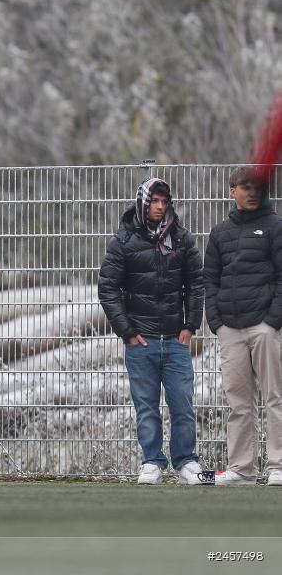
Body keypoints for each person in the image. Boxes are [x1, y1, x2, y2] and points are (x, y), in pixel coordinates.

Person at [99, 178, 205, 485]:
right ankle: (152, 462)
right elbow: (108, 288)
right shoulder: (123, 241)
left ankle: (187, 462)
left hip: (176, 341)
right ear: (143, 203)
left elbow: (196, 284)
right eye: (155, 201)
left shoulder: (182, 239)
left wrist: (190, 325)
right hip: (140, 343)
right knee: (146, 407)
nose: (160, 207)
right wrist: (127, 331)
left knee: (183, 404)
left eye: (164, 202)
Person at [204, 167, 282, 486]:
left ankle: (278, 465)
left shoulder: (276, 227)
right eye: (244, 187)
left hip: (265, 327)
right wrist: (217, 322)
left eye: (257, 187)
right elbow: (209, 280)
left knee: (274, 397)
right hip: (230, 330)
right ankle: (242, 470)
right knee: (238, 401)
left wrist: (272, 321)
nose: (252, 193)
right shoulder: (219, 233)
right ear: (231, 190)